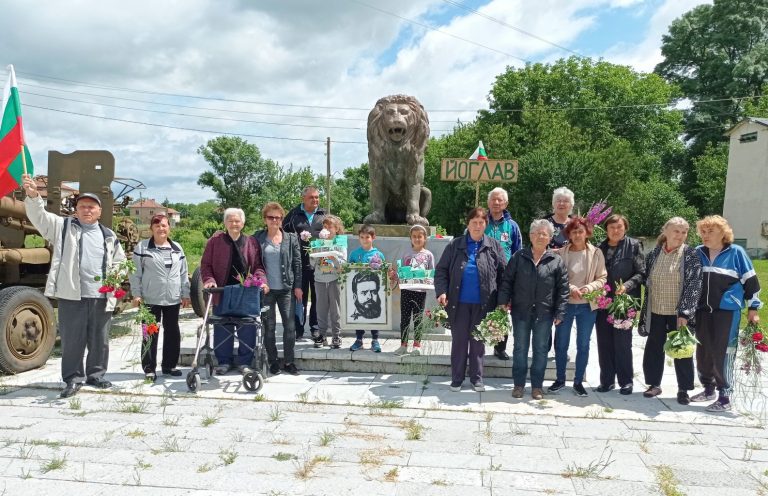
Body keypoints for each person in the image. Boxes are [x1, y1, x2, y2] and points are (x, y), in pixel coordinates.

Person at [21, 174, 126, 398]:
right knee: (72, 340)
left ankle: (96, 375)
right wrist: (32, 196)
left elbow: (120, 262)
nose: (86, 210)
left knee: (100, 339)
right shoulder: (63, 227)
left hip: (101, 296)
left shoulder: (109, 235)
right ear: (75, 210)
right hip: (72, 296)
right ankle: (73, 379)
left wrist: (114, 281)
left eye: (91, 207)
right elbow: (39, 217)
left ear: (99, 211)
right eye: (82, 206)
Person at [693, 215, 761, 412]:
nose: (705, 235)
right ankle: (708, 388)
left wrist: (753, 308)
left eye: (710, 232)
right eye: (703, 232)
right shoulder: (698, 252)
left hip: (727, 312)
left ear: (723, 233)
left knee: (723, 352)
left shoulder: (736, 253)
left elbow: (752, 282)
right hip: (702, 310)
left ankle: (725, 395)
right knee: (703, 351)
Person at [435, 207, 506, 393]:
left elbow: (504, 275)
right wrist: (441, 292)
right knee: (459, 341)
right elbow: (441, 270)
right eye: (474, 222)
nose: (477, 226)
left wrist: (503, 300)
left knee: (478, 342)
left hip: (484, 304)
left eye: (481, 222)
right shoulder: (455, 245)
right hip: (458, 304)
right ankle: (457, 379)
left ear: (486, 225)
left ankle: (477, 379)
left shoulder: (494, 246)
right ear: (468, 224)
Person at [498, 220, 569, 399]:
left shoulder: (556, 260)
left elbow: (563, 288)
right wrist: (503, 302)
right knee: (520, 348)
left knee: (540, 349)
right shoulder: (518, 257)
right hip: (521, 312)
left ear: (550, 238)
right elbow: (507, 281)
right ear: (530, 236)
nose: (540, 236)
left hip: (544, 314)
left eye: (544, 234)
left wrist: (560, 312)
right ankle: (519, 385)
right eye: (536, 233)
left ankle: (537, 386)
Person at [201, 208, 272, 375]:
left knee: (247, 326)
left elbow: (258, 267)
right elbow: (206, 265)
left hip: (245, 293)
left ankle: (244, 362)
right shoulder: (215, 242)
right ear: (225, 223)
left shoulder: (251, 242)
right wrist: (209, 281)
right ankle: (224, 362)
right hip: (222, 291)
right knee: (222, 325)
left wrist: (261, 282)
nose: (234, 224)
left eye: (237, 221)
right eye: (231, 221)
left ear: (243, 223)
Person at [639, 217, 702, 405]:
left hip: (679, 314)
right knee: (653, 348)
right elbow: (645, 278)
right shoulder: (654, 253)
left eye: (684, 232)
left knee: (682, 350)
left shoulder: (689, 254)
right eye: (676, 231)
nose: (680, 236)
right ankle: (653, 384)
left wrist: (685, 312)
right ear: (665, 231)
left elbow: (694, 284)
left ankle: (683, 389)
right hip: (656, 310)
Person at [548, 216, 607, 397]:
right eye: (574, 231)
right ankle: (559, 379)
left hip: (587, 306)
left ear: (587, 233)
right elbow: (556, 277)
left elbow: (602, 278)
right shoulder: (561, 253)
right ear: (569, 234)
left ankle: (578, 381)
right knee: (561, 344)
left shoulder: (596, 253)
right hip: (565, 304)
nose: (578, 234)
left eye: (581, 231)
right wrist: (571, 287)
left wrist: (589, 287)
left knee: (583, 345)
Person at [129, 213, 191, 382]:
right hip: (150, 298)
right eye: (157, 226)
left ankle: (169, 366)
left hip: (172, 298)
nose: (161, 228)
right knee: (149, 333)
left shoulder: (177, 248)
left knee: (172, 332)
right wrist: (137, 294)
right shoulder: (142, 248)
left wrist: (185, 294)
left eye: (164, 225)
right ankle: (149, 367)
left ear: (169, 227)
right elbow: (135, 273)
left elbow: (183, 273)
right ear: (151, 229)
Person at [595, 214, 644, 395]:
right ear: (606, 229)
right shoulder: (600, 247)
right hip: (603, 302)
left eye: (619, 227)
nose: (615, 231)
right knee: (604, 342)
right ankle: (607, 381)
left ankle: (626, 381)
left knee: (623, 343)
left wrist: (627, 286)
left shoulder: (633, 246)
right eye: (612, 227)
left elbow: (641, 273)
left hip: (625, 302)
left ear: (625, 229)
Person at [254, 202, 302, 376]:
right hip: (266, 291)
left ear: (282, 219)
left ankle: (289, 361)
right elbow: (253, 262)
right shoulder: (257, 238)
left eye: (277, 217)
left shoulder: (291, 238)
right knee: (269, 327)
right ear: (265, 219)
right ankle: (273, 361)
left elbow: (297, 264)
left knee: (290, 327)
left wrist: (298, 286)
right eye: (270, 217)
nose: (274, 220)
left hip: (286, 289)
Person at [282, 186, 326, 342]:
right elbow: (282, 235)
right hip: (298, 265)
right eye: (311, 197)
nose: (315, 200)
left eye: (317, 197)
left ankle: (315, 328)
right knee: (299, 298)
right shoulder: (293, 215)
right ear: (303, 199)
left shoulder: (324, 215)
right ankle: (298, 329)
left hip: (320, 264)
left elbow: (335, 233)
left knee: (317, 298)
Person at [485, 187, 522, 361]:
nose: (496, 202)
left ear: (506, 203)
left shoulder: (512, 226)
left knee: (501, 310)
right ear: (488, 202)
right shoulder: (480, 221)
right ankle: (476, 344)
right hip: (482, 275)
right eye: (493, 199)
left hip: (505, 276)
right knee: (479, 309)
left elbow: (517, 251)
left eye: (500, 200)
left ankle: (499, 348)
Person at [392, 224, 436, 356]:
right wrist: (396, 275)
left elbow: (431, 272)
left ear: (425, 238)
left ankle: (417, 345)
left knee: (418, 319)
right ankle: (403, 345)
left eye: (420, 237)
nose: (417, 239)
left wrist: (429, 282)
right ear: (410, 238)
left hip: (420, 292)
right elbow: (402, 272)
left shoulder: (428, 255)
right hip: (406, 291)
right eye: (414, 237)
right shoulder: (406, 254)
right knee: (404, 318)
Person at [310, 214, 347, 349]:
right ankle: (322, 335)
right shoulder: (317, 242)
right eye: (324, 227)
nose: (327, 229)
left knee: (335, 308)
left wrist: (334, 258)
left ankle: (337, 335)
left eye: (330, 226)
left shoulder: (340, 242)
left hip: (334, 278)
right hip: (319, 278)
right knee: (321, 308)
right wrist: (315, 251)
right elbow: (312, 263)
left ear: (336, 229)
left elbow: (343, 264)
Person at [348, 224, 386, 352]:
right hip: (360, 292)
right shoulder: (354, 254)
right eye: (362, 237)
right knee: (359, 312)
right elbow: (349, 272)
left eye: (367, 237)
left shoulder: (378, 255)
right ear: (359, 238)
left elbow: (383, 272)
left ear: (373, 237)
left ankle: (375, 340)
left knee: (375, 313)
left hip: (373, 292)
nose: (365, 239)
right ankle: (359, 340)